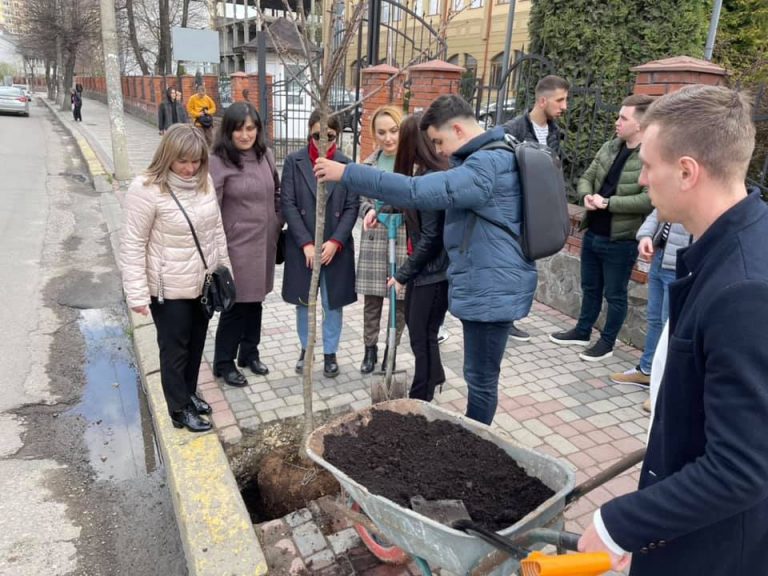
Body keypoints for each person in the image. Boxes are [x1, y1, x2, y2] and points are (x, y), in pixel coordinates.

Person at [578, 84, 768, 576]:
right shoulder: (729, 246)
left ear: (687, 171)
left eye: (647, 165)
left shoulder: (743, 288)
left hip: (715, 553)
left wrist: (621, 523)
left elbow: (743, 468)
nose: (641, 180)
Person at [315, 94, 537, 425]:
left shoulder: (486, 165)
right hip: (489, 283)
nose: (439, 151)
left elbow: (417, 192)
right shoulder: (489, 155)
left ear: (458, 130)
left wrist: (347, 173)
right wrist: (385, 207)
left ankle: (475, 443)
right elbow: (430, 200)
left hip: (492, 289)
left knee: (480, 379)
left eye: (438, 141)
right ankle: (473, 435)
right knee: (477, 374)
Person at [119, 124, 231, 432]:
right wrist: (138, 294)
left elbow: (216, 231)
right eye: (182, 161)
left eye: (196, 161)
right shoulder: (145, 189)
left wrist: (224, 269)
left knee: (196, 345)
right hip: (167, 290)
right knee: (174, 349)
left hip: (202, 284)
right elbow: (132, 245)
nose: (189, 168)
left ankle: (189, 393)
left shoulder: (204, 182)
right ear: (167, 155)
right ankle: (178, 409)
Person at [549, 94, 654, 361]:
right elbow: (587, 177)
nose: (617, 121)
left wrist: (608, 202)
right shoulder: (610, 147)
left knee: (615, 294)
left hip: (621, 239)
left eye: (623, 117)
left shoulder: (650, 155)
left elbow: (649, 200)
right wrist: (586, 196)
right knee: (591, 287)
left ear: (640, 124)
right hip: (593, 231)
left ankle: (607, 342)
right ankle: (583, 331)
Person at [209, 102, 282, 387]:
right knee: (236, 306)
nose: (245, 135)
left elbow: (277, 190)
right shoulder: (218, 161)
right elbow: (210, 206)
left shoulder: (265, 156)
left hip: (264, 244)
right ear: (228, 130)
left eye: (250, 128)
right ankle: (223, 362)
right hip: (236, 247)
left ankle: (249, 353)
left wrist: (277, 220)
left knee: (257, 302)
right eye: (239, 129)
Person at [281, 111, 358, 378]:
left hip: (336, 246)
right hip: (304, 246)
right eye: (317, 136)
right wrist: (305, 243)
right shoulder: (294, 162)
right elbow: (288, 203)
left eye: (329, 136)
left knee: (332, 302)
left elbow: (352, 206)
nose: (322, 142)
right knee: (304, 301)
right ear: (308, 133)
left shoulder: (346, 164)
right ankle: (306, 348)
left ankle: (330, 352)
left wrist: (336, 241)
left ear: (337, 135)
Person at [502, 74, 569, 341]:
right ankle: (504, 320)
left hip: (537, 212)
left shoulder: (555, 133)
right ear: (543, 100)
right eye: (560, 99)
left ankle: (511, 317)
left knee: (525, 267)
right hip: (514, 212)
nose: (564, 106)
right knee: (509, 266)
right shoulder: (513, 129)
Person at [388, 113, 450, 401]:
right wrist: (380, 210)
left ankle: (420, 398)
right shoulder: (424, 175)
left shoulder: (432, 180)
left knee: (422, 337)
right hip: (426, 272)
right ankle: (434, 375)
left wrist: (402, 274)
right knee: (418, 329)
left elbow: (431, 238)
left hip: (434, 275)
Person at [608, 209, 691, 396]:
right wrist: (646, 236)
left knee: (669, 327)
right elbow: (658, 211)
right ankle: (646, 370)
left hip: (680, 265)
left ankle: (664, 385)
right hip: (660, 259)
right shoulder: (674, 185)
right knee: (654, 320)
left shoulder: (701, 190)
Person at [356, 105, 407, 374]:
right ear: (375, 135)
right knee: (372, 302)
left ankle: (392, 351)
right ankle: (370, 349)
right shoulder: (368, 164)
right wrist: (367, 211)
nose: (388, 138)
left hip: (402, 238)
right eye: (382, 132)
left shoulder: (411, 164)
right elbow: (361, 199)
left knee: (399, 302)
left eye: (394, 131)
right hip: (375, 238)